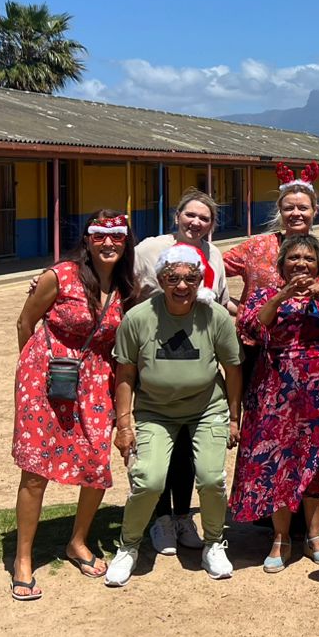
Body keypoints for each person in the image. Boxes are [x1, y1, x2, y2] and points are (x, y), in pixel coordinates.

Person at [9, 210, 137, 601]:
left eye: (117, 236)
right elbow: (24, 323)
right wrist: (36, 370)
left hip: (98, 379)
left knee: (96, 460)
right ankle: (23, 560)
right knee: (36, 468)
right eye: (100, 235)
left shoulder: (128, 287)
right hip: (46, 379)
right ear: (87, 240)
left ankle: (77, 541)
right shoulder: (59, 276)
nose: (108, 242)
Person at [106, 244, 243, 587]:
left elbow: (232, 368)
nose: (181, 286)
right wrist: (124, 425)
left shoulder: (215, 316)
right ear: (161, 279)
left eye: (190, 278)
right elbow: (125, 374)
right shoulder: (138, 318)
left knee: (212, 479)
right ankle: (128, 546)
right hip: (155, 411)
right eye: (173, 278)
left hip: (207, 408)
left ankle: (214, 542)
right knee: (148, 480)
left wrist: (234, 417)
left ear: (200, 279)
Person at [232, 233, 319, 570]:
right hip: (275, 389)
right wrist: (283, 296)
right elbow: (252, 326)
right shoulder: (266, 294)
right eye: (294, 258)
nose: (301, 264)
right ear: (282, 264)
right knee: (277, 461)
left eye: (308, 259)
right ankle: (280, 537)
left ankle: (315, 534)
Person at [132, 190, 234, 561]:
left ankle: (182, 516)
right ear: (177, 216)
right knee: (162, 445)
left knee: (192, 448)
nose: (196, 223)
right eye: (190, 215)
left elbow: (220, 302)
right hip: (158, 356)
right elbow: (126, 287)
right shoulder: (149, 249)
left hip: (198, 359)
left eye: (204, 218)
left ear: (211, 224)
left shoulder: (214, 255)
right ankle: (160, 518)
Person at [223, 162, 319, 300]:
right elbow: (210, 269)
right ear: (280, 211)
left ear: (315, 211)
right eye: (289, 208)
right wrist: (231, 306)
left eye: (303, 208)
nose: (296, 213)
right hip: (258, 322)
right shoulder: (255, 248)